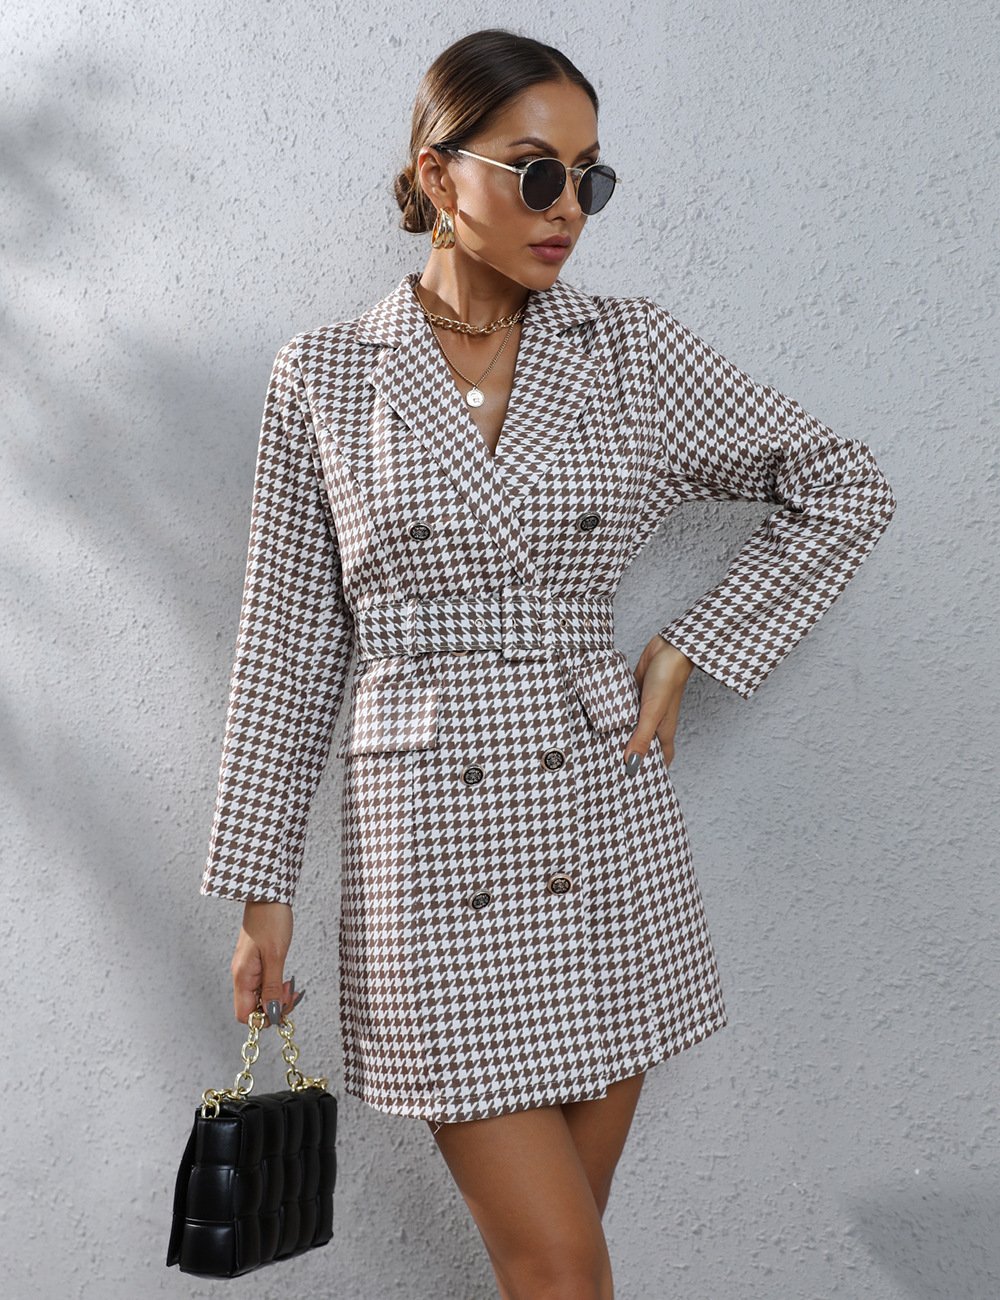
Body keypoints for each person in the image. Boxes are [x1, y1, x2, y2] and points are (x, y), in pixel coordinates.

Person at [199, 27, 896, 1300]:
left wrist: (688, 645)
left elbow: (842, 483)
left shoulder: (630, 350)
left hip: (602, 832)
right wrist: (262, 894)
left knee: (558, 1271)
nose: (567, 206)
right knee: (563, 1267)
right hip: (430, 852)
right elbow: (286, 648)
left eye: (588, 176)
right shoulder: (328, 376)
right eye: (534, 172)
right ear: (438, 173)